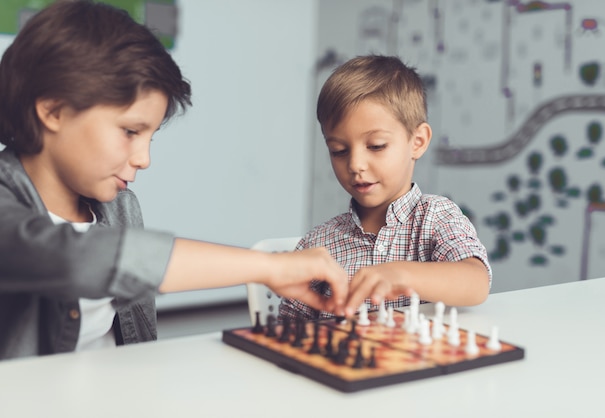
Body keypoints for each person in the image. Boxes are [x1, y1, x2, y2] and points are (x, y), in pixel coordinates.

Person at [0, 0, 349, 361]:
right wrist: (269, 267)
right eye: (130, 131)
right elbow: (76, 259)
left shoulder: (121, 205)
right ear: (53, 111)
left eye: (149, 137)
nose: (144, 159)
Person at [280, 55, 492, 320]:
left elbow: (476, 282)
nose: (356, 164)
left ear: (417, 141)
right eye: (339, 151)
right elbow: (285, 328)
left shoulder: (436, 217)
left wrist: (401, 274)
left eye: (376, 146)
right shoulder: (318, 243)